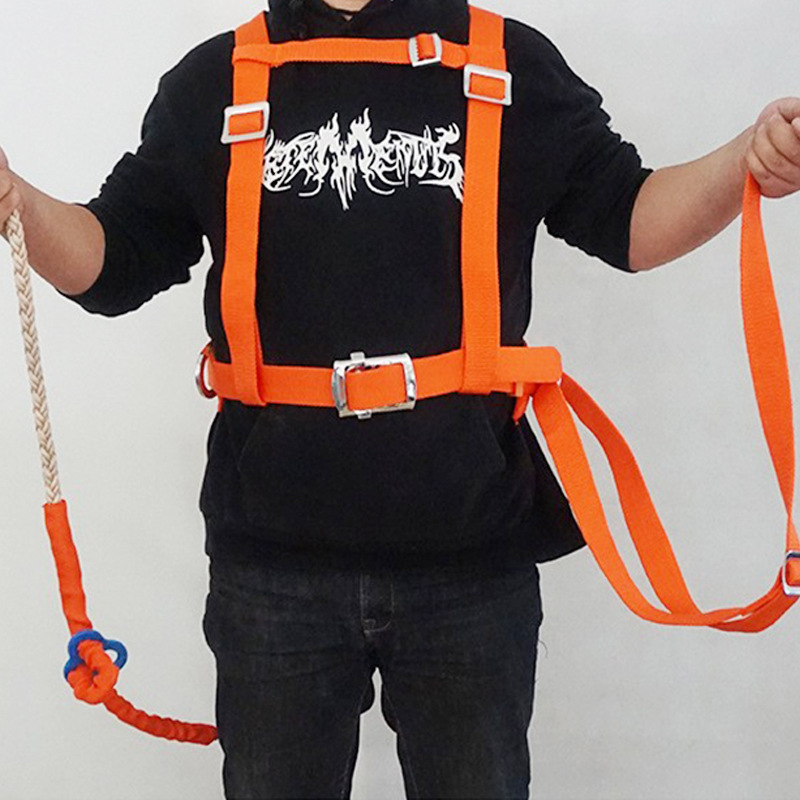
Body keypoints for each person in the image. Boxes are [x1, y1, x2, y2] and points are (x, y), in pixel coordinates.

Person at [2, 0, 799, 797]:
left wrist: (748, 158)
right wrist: (17, 200)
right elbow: (114, 264)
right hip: (272, 564)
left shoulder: (509, 63)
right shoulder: (216, 81)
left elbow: (629, 217)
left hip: (471, 557)